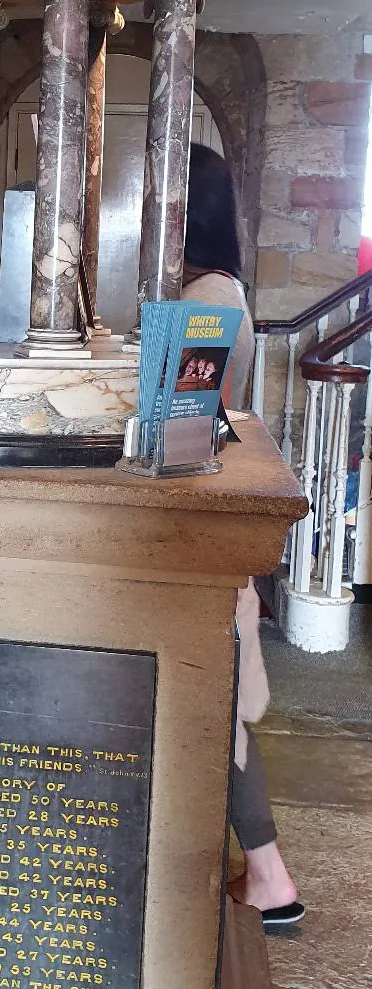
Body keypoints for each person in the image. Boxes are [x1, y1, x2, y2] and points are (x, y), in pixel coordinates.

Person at [182, 144, 304, 927]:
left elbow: (183, 418)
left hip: (198, 511)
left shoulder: (206, 296)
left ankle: (269, 878)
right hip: (206, 501)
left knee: (217, 700)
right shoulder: (217, 288)